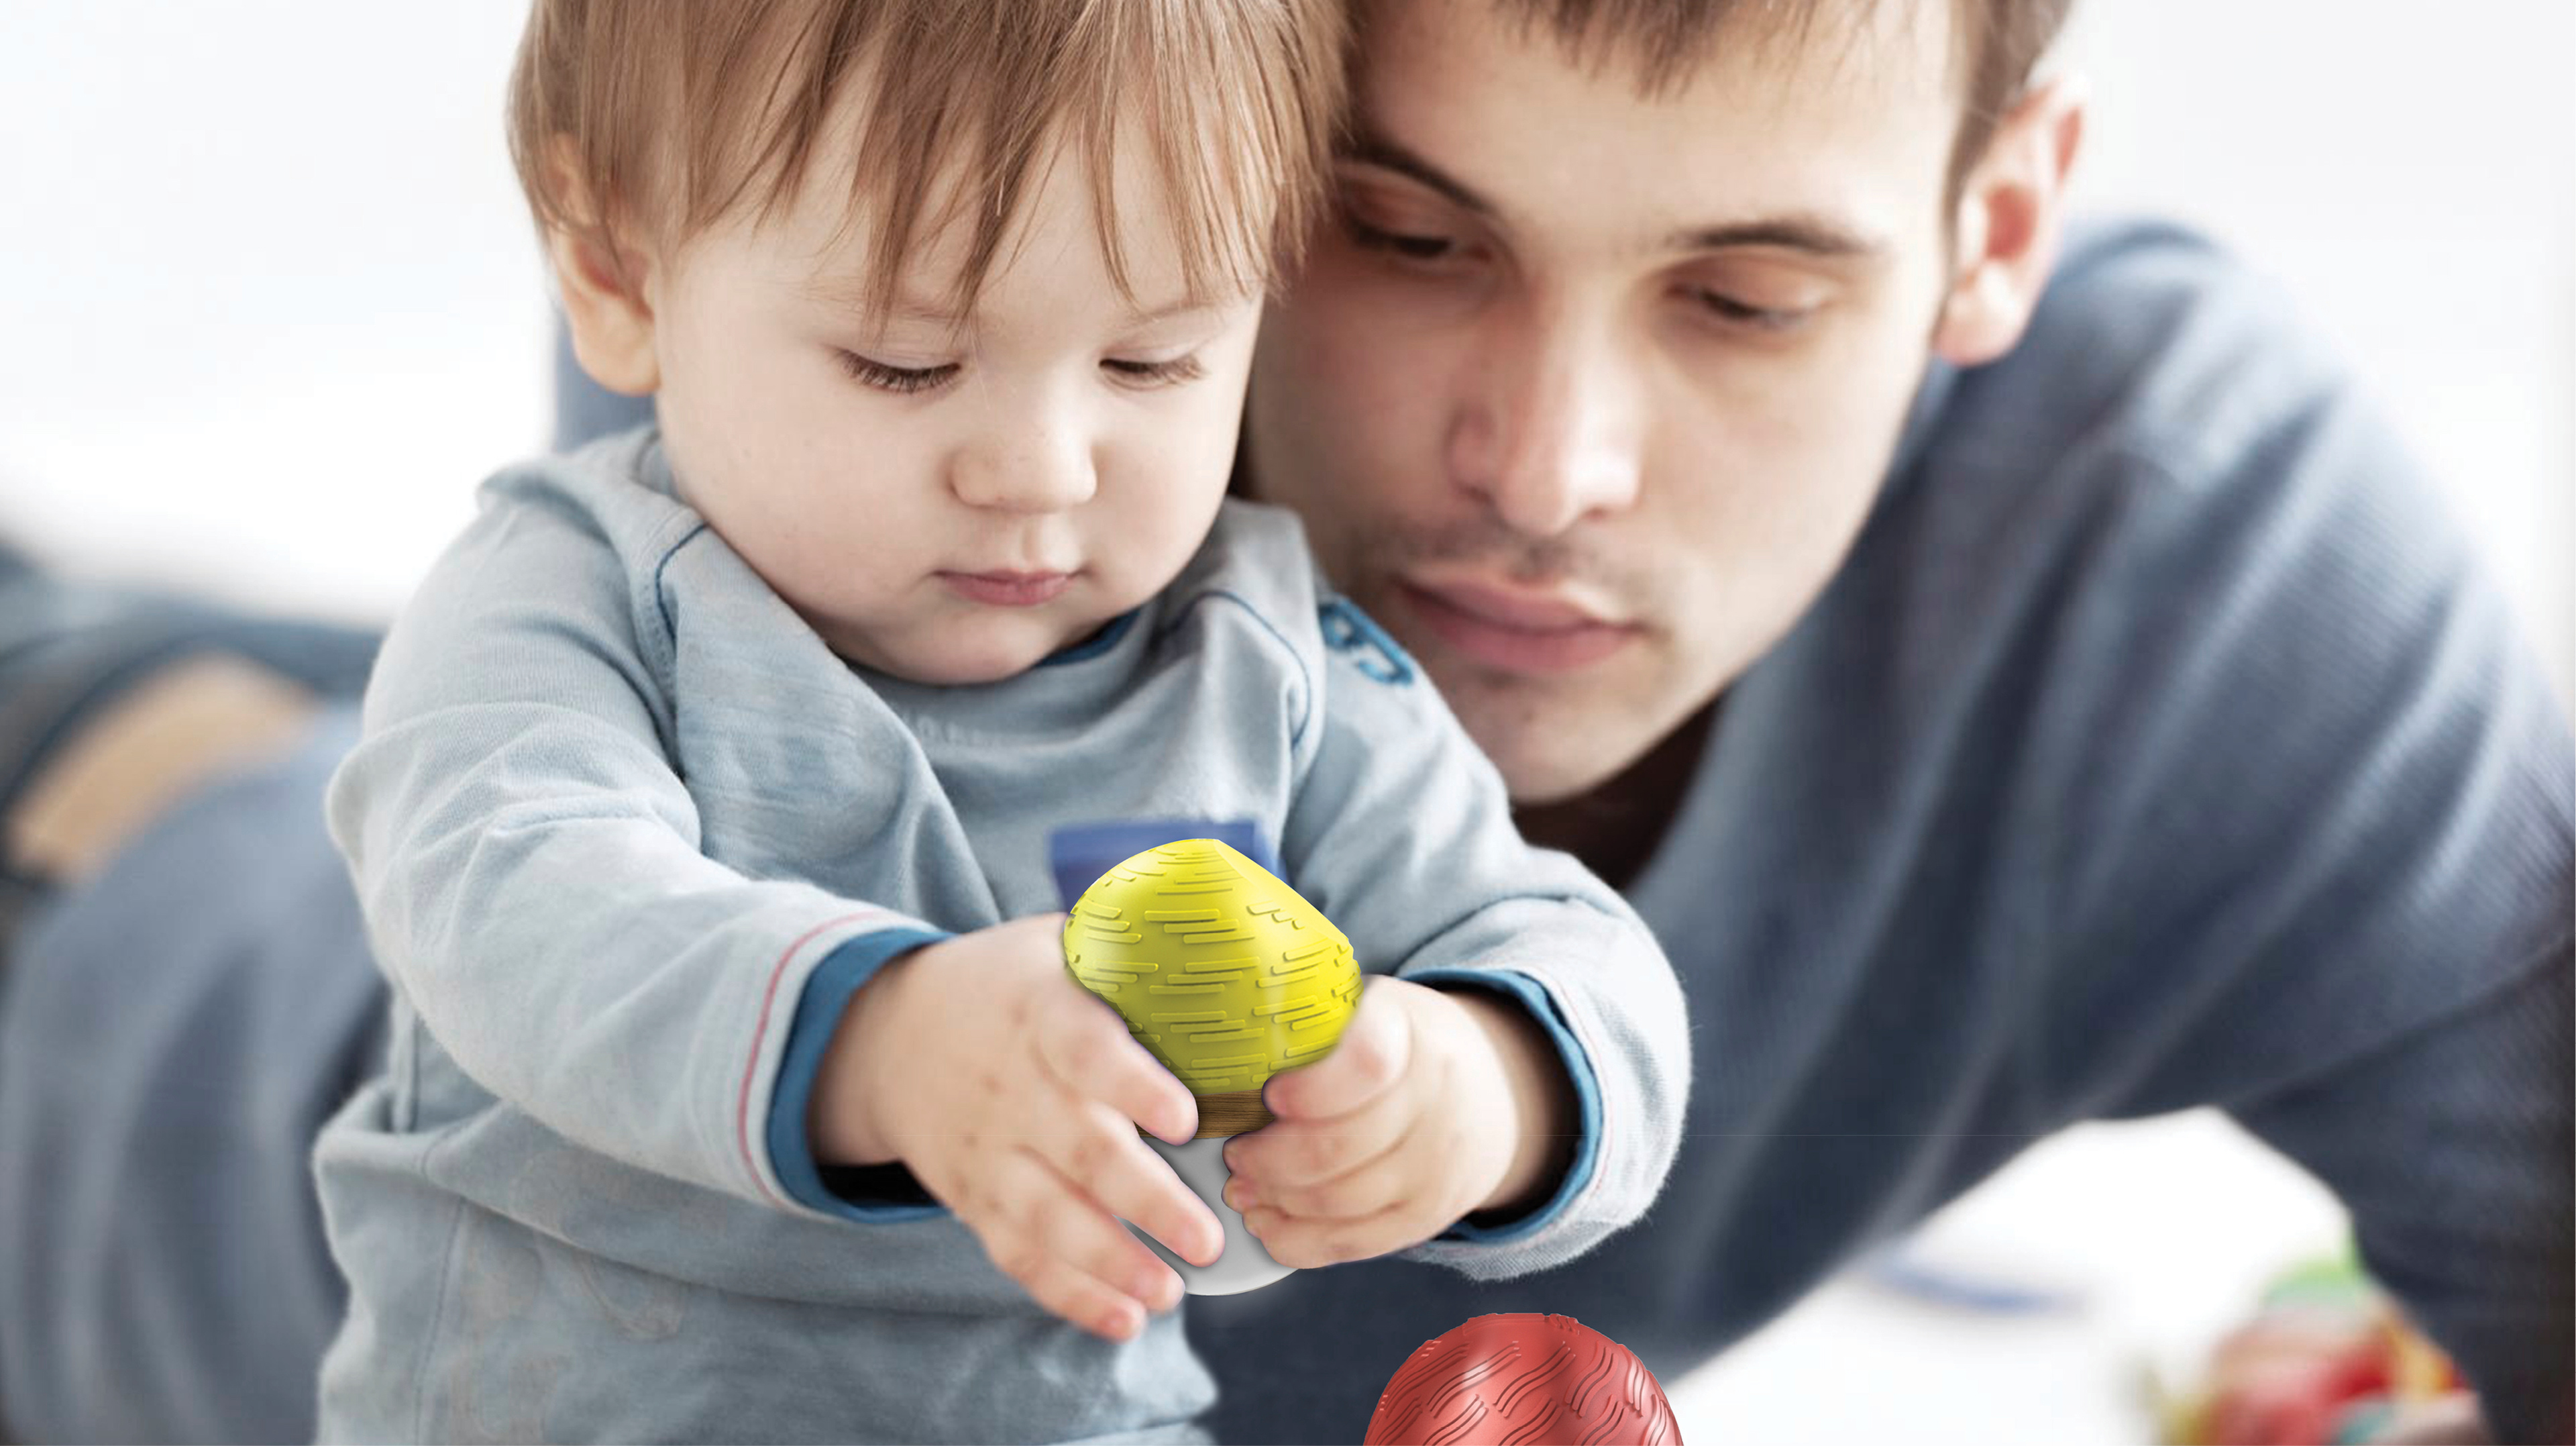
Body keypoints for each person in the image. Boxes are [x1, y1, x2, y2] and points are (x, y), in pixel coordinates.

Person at [1, 0, 2567, 1441]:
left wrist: (1485, 1079)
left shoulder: (2205, 576)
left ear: (1994, 224)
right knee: (207, 779)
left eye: (1748, 299)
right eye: (1401, 235)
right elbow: (526, 852)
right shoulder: (923, 284)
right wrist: (892, 1031)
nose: (1546, 471)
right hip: (188, 1144)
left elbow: (1535, 962)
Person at [305, 0, 1695, 1440]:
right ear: (620, 274)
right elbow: (514, 897)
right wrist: (882, 1042)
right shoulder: (571, 599)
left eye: (1152, 361)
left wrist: (1488, 1083)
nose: (1041, 471)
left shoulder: (1264, 657)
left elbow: (1569, 944)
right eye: (905, 361)